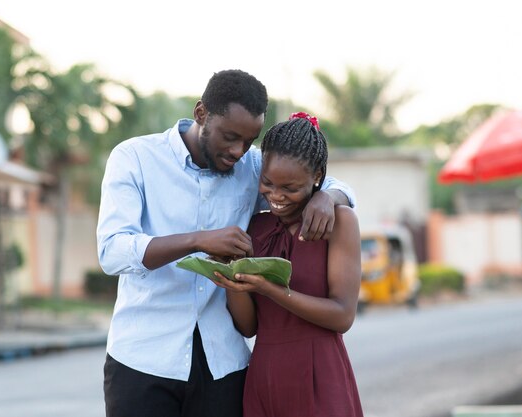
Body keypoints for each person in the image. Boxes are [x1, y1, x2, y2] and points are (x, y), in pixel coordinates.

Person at [96, 70, 356, 417]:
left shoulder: (251, 168)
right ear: (201, 113)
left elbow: (309, 176)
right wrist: (198, 241)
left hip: (224, 364)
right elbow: (112, 251)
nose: (238, 151)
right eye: (230, 137)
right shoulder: (135, 158)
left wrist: (330, 196)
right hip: (144, 360)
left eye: (249, 141)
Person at [214, 113, 363, 417]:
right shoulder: (256, 227)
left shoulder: (340, 221)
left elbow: (342, 316)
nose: (276, 197)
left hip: (320, 372)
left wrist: (271, 289)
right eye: (267, 183)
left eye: (290, 188)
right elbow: (250, 326)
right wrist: (232, 280)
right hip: (264, 374)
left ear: (317, 177)